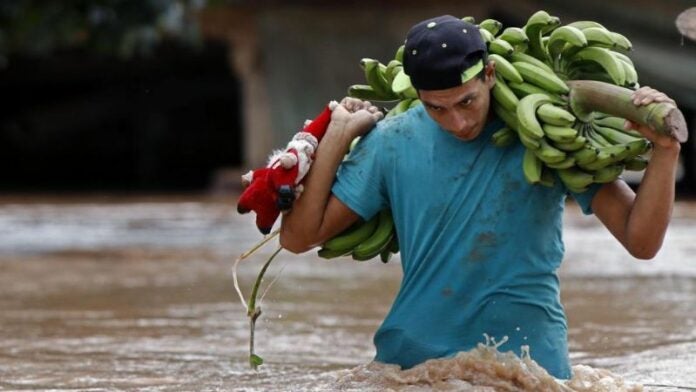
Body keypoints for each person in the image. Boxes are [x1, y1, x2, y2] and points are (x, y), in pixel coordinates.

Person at [278, 15, 682, 379]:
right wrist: (339, 134)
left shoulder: (546, 132)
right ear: (418, 94)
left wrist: (666, 150)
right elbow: (298, 237)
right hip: (414, 365)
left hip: (532, 366)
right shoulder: (391, 141)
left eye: (466, 101)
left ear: (489, 73)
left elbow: (641, 242)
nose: (457, 122)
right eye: (437, 108)